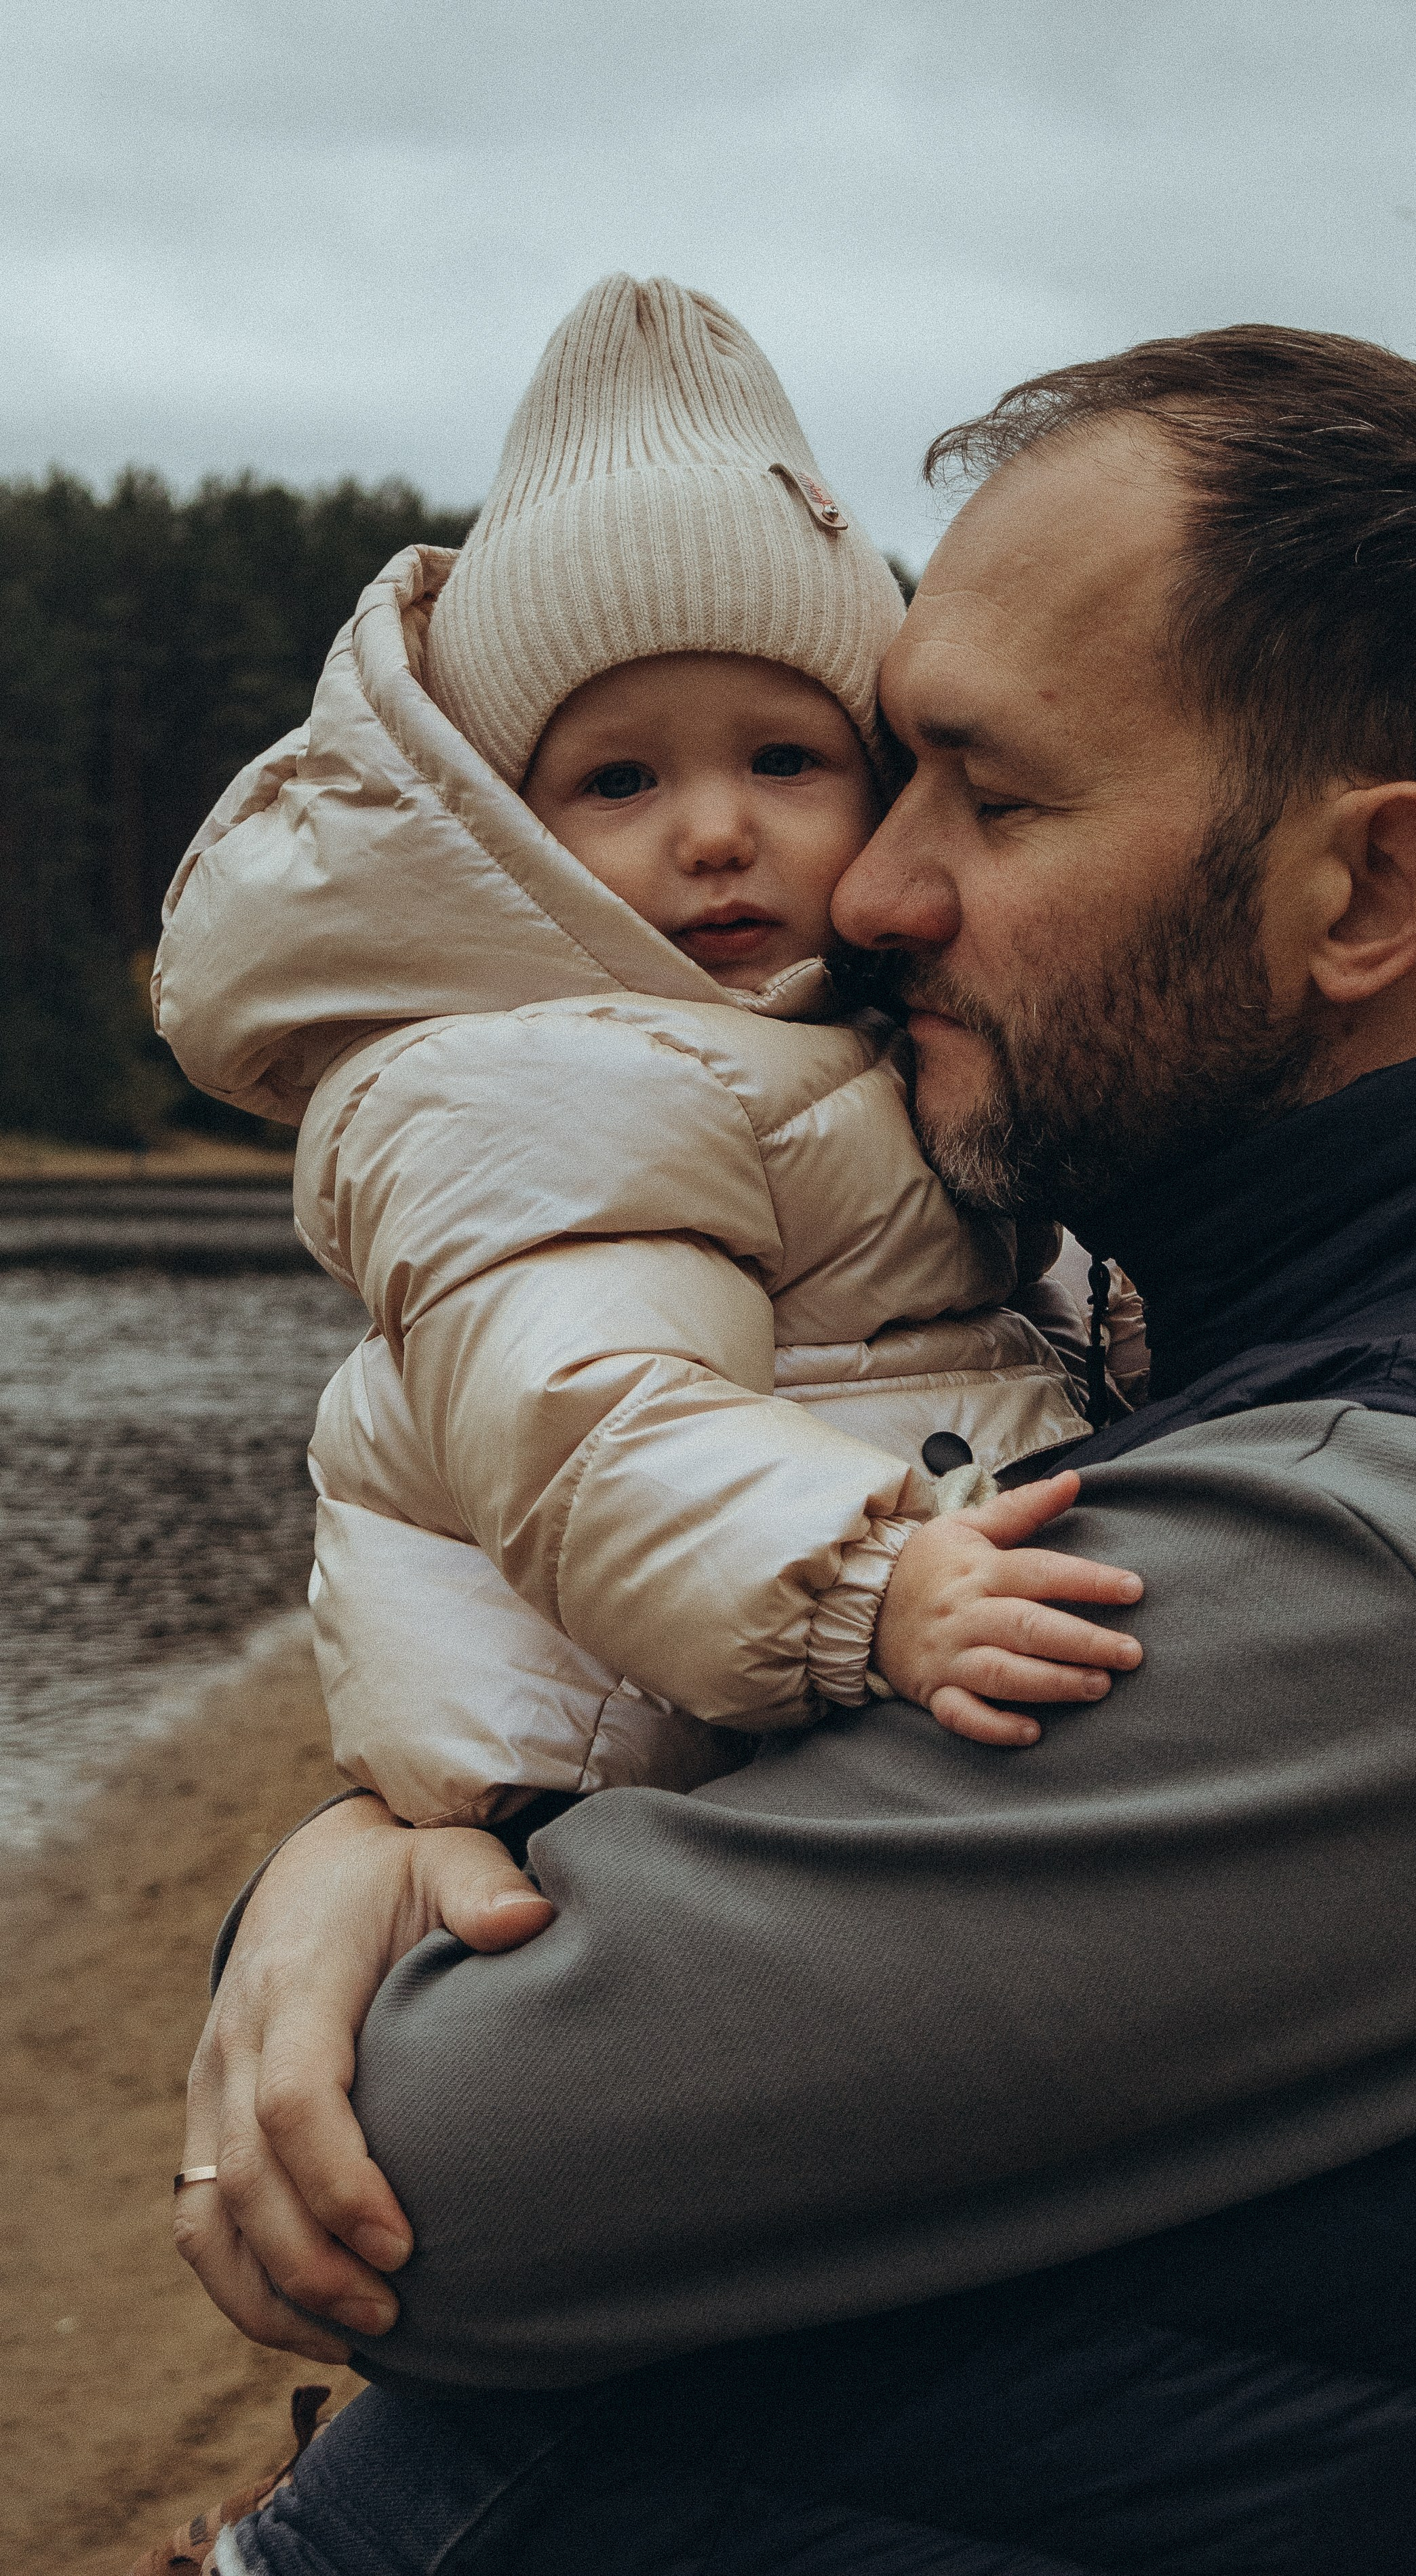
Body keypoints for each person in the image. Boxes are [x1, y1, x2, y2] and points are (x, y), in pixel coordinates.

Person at [165, 324, 1416, 2576]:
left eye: (987, 800)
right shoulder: (1309, 1343)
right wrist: (385, 1823)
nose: (866, 894)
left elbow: (437, 2169)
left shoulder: (1410, 1565)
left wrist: (378, 1882)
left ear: (1362, 895)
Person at [153, 273, 1143, 1848]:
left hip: (752, 1729)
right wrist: (872, 1582)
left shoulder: (844, 1044)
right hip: (601, 1783)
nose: (716, 831)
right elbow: (588, 1419)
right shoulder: (526, 1085)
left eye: (783, 758)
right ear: (505, 837)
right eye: (620, 778)